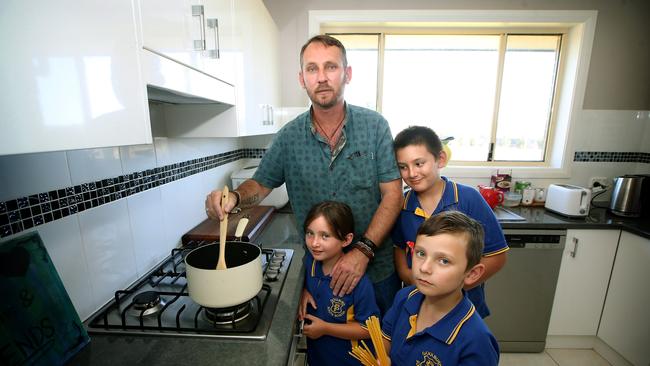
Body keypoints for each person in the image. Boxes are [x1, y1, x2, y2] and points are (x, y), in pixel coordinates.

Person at [205, 35, 403, 314]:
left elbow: (393, 195)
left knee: (382, 351)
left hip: (375, 269)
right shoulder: (288, 137)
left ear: (347, 74)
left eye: (330, 67)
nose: (321, 77)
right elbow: (260, 184)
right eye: (312, 69)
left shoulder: (375, 127)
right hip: (320, 274)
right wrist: (234, 197)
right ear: (302, 79)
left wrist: (362, 251)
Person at [391, 126, 508, 318]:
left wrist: (454, 286)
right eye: (403, 167)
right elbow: (400, 250)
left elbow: (497, 256)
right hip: (419, 305)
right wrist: (412, 279)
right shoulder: (402, 205)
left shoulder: (468, 199)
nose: (411, 173)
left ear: (440, 159)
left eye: (419, 164)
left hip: (464, 306)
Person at [381, 211, 500, 365]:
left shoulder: (477, 341)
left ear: (471, 274)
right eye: (421, 253)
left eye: (444, 261)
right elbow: (386, 339)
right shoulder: (405, 297)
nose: (424, 268)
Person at [298, 201, 380, 366]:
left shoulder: (358, 283)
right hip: (318, 359)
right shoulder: (308, 263)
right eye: (310, 233)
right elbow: (300, 284)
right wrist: (302, 292)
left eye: (325, 236)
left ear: (346, 239)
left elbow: (368, 329)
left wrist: (325, 328)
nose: (314, 243)